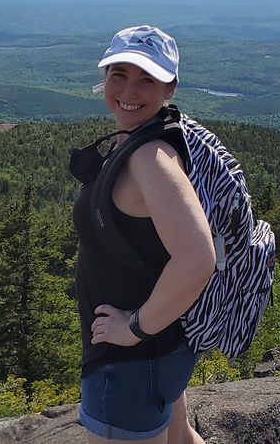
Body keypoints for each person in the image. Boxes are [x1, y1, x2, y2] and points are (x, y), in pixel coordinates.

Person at [73, 25, 216, 443]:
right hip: (163, 345)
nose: (129, 90)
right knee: (181, 438)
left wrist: (133, 328)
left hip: (128, 362)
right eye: (120, 74)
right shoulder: (155, 137)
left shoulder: (149, 158)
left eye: (146, 79)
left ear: (169, 88)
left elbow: (198, 258)